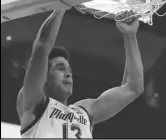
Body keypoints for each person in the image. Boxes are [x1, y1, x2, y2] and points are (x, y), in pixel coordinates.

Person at [16, 9, 144, 138]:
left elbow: (134, 87)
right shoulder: (34, 103)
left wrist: (130, 35)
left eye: (69, 70)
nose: (68, 74)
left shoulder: (85, 111)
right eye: (60, 68)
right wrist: (61, 6)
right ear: (44, 76)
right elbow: (42, 45)